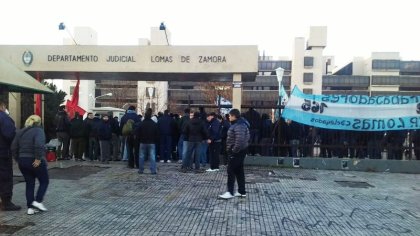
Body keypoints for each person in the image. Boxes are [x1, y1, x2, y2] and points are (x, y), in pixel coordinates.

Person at [11, 115, 49, 215]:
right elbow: (39, 144)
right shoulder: (38, 131)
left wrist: (18, 159)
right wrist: (38, 158)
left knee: (29, 183)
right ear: (39, 122)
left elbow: (14, 147)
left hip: (23, 161)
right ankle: (37, 201)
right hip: (34, 160)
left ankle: (30, 208)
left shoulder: (20, 132)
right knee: (44, 181)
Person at [219, 109, 250, 199]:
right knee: (239, 171)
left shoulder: (239, 125)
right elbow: (246, 138)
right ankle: (241, 191)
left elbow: (240, 140)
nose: (228, 117)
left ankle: (230, 192)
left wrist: (234, 150)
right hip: (241, 151)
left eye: (230, 115)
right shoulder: (241, 124)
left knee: (231, 171)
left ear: (234, 116)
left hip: (237, 152)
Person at [0, 101, 21, 211]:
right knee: (5, 177)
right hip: (3, 153)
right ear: (2, 106)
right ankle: (6, 202)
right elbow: (10, 134)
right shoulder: (4, 118)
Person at [136, 108, 159, 174]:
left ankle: (141, 170)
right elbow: (157, 134)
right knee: (152, 157)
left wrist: (138, 140)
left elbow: (137, 133)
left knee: (141, 157)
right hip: (152, 142)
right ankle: (153, 170)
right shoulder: (154, 124)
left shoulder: (141, 124)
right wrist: (155, 141)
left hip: (142, 142)